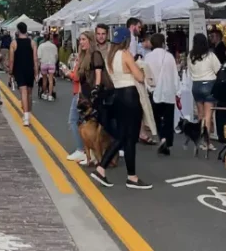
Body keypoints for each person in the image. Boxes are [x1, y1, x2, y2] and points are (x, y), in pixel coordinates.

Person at [89, 28, 151, 190]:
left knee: (124, 136)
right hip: (130, 95)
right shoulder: (125, 54)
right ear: (126, 41)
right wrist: (140, 69)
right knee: (129, 137)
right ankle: (126, 175)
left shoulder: (110, 56)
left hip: (118, 95)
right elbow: (140, 77)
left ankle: (112, 171)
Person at [143, 33, 179, 155]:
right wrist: (177, 91)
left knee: (156, 117)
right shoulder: (169, 56)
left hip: (154, 91)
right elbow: (175, 74)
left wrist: (148, 87)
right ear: (163, 43)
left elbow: (146, 74)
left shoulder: (148, 57)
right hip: (168, 91)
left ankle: (162, 137)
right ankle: (167, 140)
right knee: (168, 118)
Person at [189, 33, 221, 150]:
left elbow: (190, 71)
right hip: (209, 85)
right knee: (208, 116)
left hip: (196, 85)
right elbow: (219, 70)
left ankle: (201, 140)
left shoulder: (190, 56)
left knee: (200, 115)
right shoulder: (210, 56)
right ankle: (207, 142)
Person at [66, 31, 94, 164]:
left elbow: (77, 77)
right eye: (80, 40)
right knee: (82, 121)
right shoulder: (84, 56)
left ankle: (81, 150)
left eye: (84, 39)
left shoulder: (88, 57)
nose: (81, 42)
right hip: (82, 92)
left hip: (82, 93)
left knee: (73, 120)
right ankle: (88, 152)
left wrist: (69, 73)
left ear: (90, 40)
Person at [9, 22, 39, 126]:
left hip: (19, 70)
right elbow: (35, 60)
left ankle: (26, 117)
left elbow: (11, 60)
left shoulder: (13, 43)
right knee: (29, 93)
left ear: (18, 30)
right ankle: (29, 113)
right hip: (29, 69)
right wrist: (36, 73)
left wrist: (10, 72)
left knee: (23, 92)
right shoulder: (32, 43)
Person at [38, 37, 59, 101]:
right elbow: (56, 56)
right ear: (50, 39)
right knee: (51, 80)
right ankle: (50, 95)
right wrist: (54, 62)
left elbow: (39, 57)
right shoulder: (54, 46)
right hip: (51, 64)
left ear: (44, 39)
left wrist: (40, 64)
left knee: (44, 80)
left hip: (44, 64)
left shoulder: (41, 46)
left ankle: (44, 94)